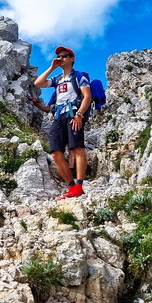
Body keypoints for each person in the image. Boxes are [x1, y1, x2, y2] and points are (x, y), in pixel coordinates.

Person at [33, 46, 92, 200]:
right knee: (55, 152)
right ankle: (71, 186)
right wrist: (52, 67)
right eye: (59, 56)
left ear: (72, 59)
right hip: (59, 116)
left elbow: (87, 96)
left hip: (74, 114)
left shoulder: (80, 76)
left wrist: (79, 114)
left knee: (77, 147)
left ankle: (79, 186)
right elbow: (38, 83)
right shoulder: (57, 79)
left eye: (64, 56)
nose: (61, 58)